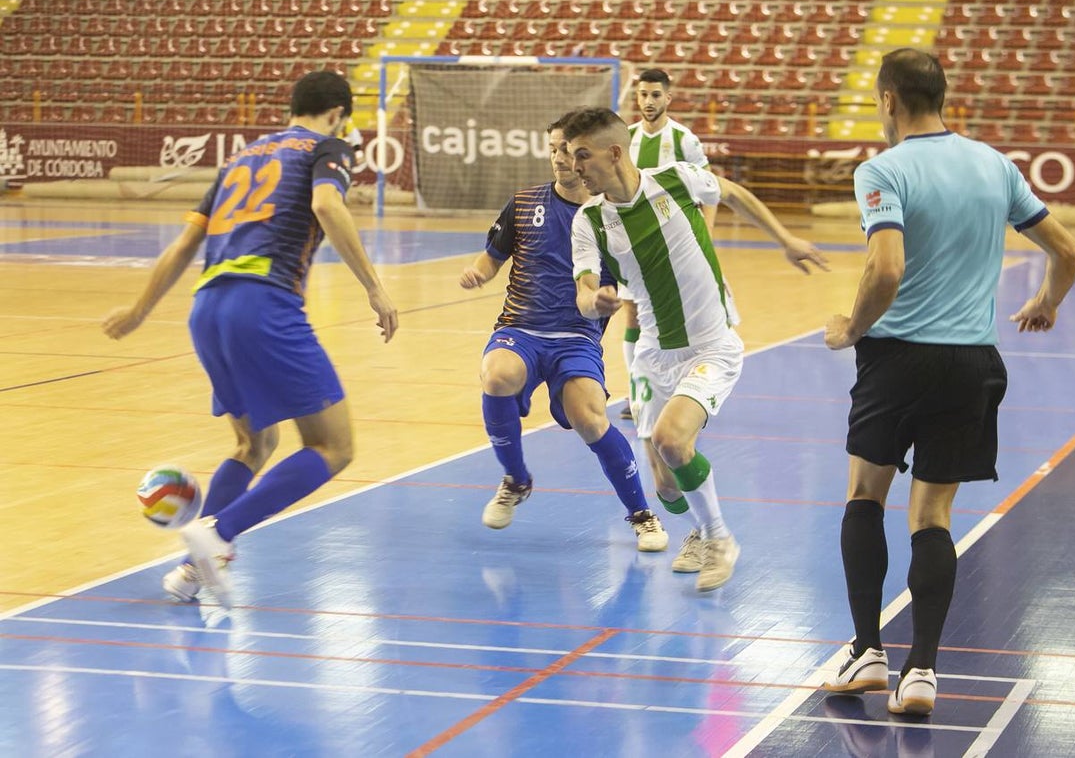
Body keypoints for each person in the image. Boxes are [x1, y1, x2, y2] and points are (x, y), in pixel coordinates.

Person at [821, 48, 1075, 715]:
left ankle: (867, 653)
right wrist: (1046, 302)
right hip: (969, 363)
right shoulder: (994, 164)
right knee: (932, 516)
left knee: (864, 497)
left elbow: (885, 270)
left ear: (888, 101)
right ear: (942, 95)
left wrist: (852, 326)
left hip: (894, 361)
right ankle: (923, 673)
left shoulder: (881, 170)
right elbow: (1067, 251)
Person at [103, 71, 399, 609]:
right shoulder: (328, 146)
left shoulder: (241, 157)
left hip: (207, 308)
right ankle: (217, 535)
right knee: (334, 447)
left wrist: (140, 309)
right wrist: (375, 288)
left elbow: (186, 240)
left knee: (255, 443)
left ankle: (193, 569)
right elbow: (329, 207)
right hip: (263, 305)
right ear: (336, 113)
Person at [563, 107, 828, 591]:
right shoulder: (590, 220)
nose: (574, 166)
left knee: (672, 439)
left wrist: (785, 239)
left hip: (711, 345)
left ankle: (719, 538)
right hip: (652, 354)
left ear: (614, 152)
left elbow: (734, 193)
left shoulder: (677, 180)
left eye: (582, 155)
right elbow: (582, 289)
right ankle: (700, 532)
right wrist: (593, 300)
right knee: (664, 482)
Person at [460, 112, 669, 552]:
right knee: (496, 374)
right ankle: (516, 480)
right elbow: (491, 258)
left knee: (591, 419)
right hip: (521, 327)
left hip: (577, 337)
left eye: (568, 151)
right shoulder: (523, 203)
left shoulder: (609, 219)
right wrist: (478, 274)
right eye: (554, 149)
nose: (560, 159)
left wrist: (614, 300)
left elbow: (639, 279)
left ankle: (641, 514)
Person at [618, 68, 726, 420]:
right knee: (633, 315)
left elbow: (710, 189)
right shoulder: (626, 138)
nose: (648, 101)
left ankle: (689, 388)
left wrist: (705, 234)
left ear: (668, 98)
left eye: (655, 95)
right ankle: (637, 393)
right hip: (635, 246)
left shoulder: (684, 140)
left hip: (677, 247)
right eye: (642, 94)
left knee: (677, 317)